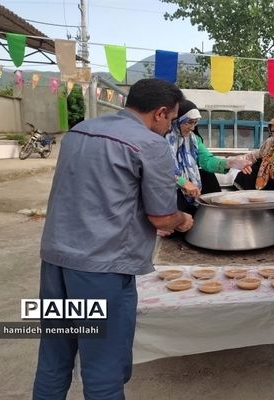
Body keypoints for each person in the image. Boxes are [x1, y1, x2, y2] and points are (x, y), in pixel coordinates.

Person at [33, 79, 193, 400]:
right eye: (172, 120)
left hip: (55, 262)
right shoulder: (150, 144)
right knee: (102, 366)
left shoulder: (79, 131)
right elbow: (161, 217)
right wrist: (183, 219)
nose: (169, 128)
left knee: (53, 357)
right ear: (160, 113)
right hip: (100, 270)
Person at [165, 99, 251, 215]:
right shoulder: (163, 140)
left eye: (195, 123)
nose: (192, 127)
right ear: (176, 120)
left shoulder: (194, 140)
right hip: (168, 190)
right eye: (188, 122)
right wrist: (182, 182)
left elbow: (206, 161)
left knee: (207, 176)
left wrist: (231, 163)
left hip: (190, 189)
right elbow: (159, 170)